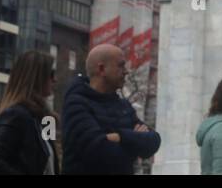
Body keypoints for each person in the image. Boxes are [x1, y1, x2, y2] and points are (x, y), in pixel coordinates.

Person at [61, 43, 160, 174]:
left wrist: (120, 137)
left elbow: (153, 141)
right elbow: (100, 152)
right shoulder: (76, 104)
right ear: (102, 69)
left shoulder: (123, 105)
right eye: (121, 65)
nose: (126, 71)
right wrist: (135, 140)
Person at [0, 50, 59, 175]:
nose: (55, 79)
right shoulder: (16, 115)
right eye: (51, 74)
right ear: (37, 76)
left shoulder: (42, 119)